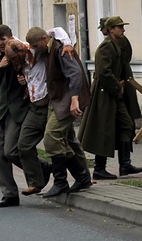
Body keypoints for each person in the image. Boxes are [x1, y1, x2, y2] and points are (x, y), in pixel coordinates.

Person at [24, 27, 92, 198]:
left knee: (51, 137)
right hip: (57, 100)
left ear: (43, 38)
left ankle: (61, 182)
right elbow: (56, 30)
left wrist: (75, 99)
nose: (34, 48)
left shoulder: (60, 50)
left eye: (35, 44)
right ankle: (82, 177)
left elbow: (75, 73)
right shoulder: (49, 48)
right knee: (62, 141)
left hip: (68, 100)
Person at [78, 16, 142, 180]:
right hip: (106, 93)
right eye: (119, 27)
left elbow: (125, 59)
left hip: (116, 92)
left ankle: (125, 164)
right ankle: (100, 168)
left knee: (125, 125)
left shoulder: (119, 43)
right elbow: (103, 72)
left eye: (122, 26)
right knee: (104, 129)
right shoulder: (106, 47)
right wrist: (117, 87)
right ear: (111, 29)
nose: (122, 29)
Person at [16, 27, 76, 196]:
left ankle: (80, 177)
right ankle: (38, 181)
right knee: (25, 145)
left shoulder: (36, 51)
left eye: (16, 59)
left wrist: (68, 42)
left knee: (65, 143)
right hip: (35, 107)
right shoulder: (20, 60)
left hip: (52, 104)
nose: (16, 63)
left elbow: (56, 30)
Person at [0, 25, 31, 208]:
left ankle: (41, 169)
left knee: (10, 150)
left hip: (17, 108)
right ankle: (10, 194)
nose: (0, 44)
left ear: (11, 37)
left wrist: (24, 80)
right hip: (0, 110)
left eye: (3, 40)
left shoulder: (21, 51)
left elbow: (32, 74)